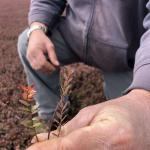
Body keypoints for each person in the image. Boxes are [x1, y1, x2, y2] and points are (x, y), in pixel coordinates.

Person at [17, 0, 150, 149]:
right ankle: (50, 117)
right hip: (74, 36)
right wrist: (37, 28)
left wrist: (144, 96)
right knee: (27, 42)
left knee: (128, 123)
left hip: (125, 55)